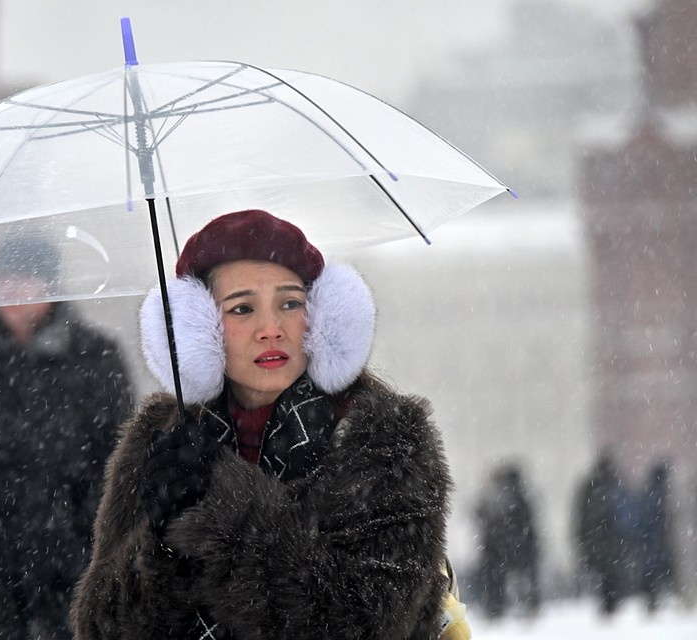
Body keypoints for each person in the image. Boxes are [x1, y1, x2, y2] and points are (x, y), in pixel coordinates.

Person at [72, 210, 462, 639]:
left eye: (290, 303)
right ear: (196, 330)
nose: (271, 329)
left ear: (321, 316)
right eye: (242, 308)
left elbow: (363, 624)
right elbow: (101, 628)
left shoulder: (383, 438)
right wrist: (161, 547)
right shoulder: (163, 439)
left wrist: (218, 504)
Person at [0, 234, 134, 639]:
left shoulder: (95, 356)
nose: (14, 293)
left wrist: (90, 525)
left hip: (73, 556)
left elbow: (120, 450)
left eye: (26, 281)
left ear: (50, 286)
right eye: (5, 282)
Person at [474, 463, 540, 619]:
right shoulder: (520, 495)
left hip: (498, 550)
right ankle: (527, 607)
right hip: (519, 547)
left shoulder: (497, 496)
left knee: (497, 582)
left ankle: (496, 609)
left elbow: (486, 520)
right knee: (523, 581)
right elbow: (529, 524)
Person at [574, 452, 635, 616]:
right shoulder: (616, 484)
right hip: (613, 540)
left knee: (603, 572)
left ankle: (607, 603)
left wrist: (582, 540)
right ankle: (612, 602)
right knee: (613, 572)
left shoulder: (590, 486)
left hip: (597, 540)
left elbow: (581, 517)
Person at [637, 459, 676, 613]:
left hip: (650, 540)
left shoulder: (649, 491)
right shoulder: (659, 492)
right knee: (657, 568)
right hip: (656, 539)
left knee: (651, 570)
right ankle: (657, 599)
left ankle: (653, 600)